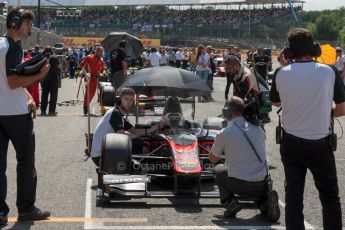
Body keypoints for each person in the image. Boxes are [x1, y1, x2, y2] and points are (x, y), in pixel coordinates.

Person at [270, 28, 345, 230]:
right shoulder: (330, 72)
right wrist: (322, 110)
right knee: (330, 197)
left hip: (291, 143)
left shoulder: (280, 73)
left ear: (289, 51)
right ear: (315, 49)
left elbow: (276, 102)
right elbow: (341, 109)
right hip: (321, 144)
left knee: (293, 197)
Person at [0, 7, 51, 225]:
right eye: (28, 24)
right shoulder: (12, 47)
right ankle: (26, 209)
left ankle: (1, 213)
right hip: (15, 115)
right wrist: (40, 74)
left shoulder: (3, 44)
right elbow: (12, 82)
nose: (30, 28)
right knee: (26, 162)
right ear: (16, 23)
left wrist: (28, 95)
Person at [209, 97, 280, 222]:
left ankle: (231, 202)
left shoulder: (224, 133)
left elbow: (213, 159)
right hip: (262, 184)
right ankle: (265, 203)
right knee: (257, 191)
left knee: (218, 170)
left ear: (226, 112)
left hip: (239, 185)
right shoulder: (258, 129)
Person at [90, 88, 164, 167]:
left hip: (106, 152)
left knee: (139, 141)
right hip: (101, 156)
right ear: (119, 100)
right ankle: (146, 170)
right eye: (126, 99)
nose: (129, 102)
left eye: (131, 100)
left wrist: (157, 126)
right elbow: (121, 134)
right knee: (139, 144)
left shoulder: (119, 115)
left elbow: (136, 131)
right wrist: (139, 139)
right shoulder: (115, 113)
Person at [78, 46, 105, 115]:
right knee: (88, 93)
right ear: (97, 51)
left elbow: (102, 70)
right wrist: (85, 74)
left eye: (102, 52)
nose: (102, 53)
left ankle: (87, 105)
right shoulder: (89, 57)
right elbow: (80, 66)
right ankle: (85, 108)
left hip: (96, 79)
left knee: (92, 94)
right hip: (89, 78)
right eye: (100, 52)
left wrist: (101, 73)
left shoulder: (101, 60)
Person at [40, 46, 62, 116]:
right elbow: (59, 67)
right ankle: (51, 111)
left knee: (44, 95)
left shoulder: (41, 57)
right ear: (51, 51)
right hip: (53, 79)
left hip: (44, 79)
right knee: (53, 95)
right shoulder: (54, 57)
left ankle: (43, 111)